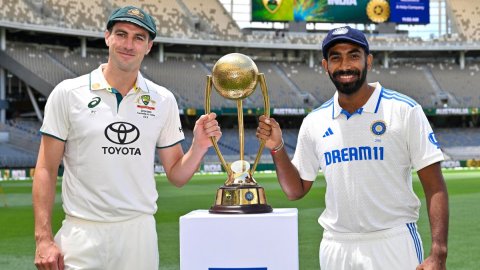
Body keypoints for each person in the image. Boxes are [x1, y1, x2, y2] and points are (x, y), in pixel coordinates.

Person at [33, 6, 221, 270]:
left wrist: (199, 146)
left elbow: (177, 175)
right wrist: (43, 238)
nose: (128, 44)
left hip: (138, 234)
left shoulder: (162, 100)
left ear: (149, 46)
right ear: (107, 36)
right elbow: (45, 168)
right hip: (82, 231)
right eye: (121, 34)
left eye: (138, 38)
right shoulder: (68, 93)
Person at [257, 26, 448, 270]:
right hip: (336, 246)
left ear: (368, 61)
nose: (345, 65)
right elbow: (296, 190)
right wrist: (277, 147)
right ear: (326, 65)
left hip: (392, 241)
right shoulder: (315, 121)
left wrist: (438, 251)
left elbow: (434, 185)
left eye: (354, 56)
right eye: (336, 57)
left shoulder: (404, 110)